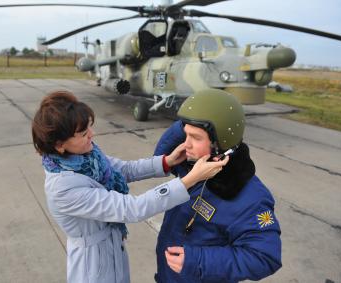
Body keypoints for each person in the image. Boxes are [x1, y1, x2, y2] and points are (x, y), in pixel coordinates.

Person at [31, 90, 229, 283]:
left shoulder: (87, 158)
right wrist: (189, 180)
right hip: (92, 266)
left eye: (89, 127)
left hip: (112, 247)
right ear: (59, 145)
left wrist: (166, 161)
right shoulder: (63, 189)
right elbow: (132, 209)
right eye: (83, 133)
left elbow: (124, 170)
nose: (92, 134)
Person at [154, 89, 282, 283]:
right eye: (184, 133)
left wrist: (198, 261)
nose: (185, 144)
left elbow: (264, 257)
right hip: (168, 276)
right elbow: (160, 155)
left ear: (221, 142)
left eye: (195, 137)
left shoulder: (249, 197)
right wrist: (194, 118)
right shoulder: (192, 165)